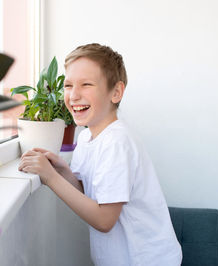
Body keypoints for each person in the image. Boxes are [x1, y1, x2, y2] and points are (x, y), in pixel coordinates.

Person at [19, 43, 182, 266]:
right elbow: (94, 194)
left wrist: (51, 177)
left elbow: (104, 219)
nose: (74, 95)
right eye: (68, 85)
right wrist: (64, 171)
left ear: (116, 92)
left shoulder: (117, 142)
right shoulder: (86, 138)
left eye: (86, 84)